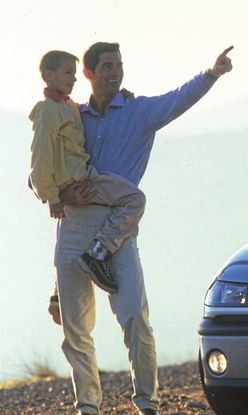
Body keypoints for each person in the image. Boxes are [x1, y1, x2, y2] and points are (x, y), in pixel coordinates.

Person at [54, 42, 233, 415]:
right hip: (72, 222)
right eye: (107, 66)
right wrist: (56, 195)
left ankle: (147, 405)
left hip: (118, 227)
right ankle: (88, 410)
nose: (115, 73)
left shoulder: (138, 111)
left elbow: (177, 100)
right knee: (75, 326)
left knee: (135, 315)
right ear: (89, 73)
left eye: (119, 65)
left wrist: (211, 73)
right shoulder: (69, 116)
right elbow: (41, 166)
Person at [30, 50, 146, 295]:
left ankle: (95, 255)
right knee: (134, 198)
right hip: (80, 181)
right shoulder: (48, 111)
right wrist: (54, 198)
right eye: (66, 73)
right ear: (48, 75)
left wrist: (120, 97)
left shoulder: (69, 107)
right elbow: (40, 160)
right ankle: (99, 252)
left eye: (74, 73)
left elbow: (94, 110)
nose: (72, 79)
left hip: (83, 177)